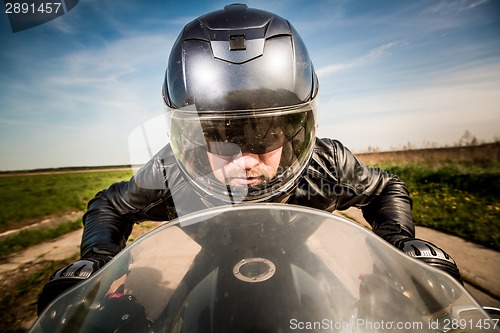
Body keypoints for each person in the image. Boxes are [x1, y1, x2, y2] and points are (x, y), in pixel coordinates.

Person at [37, 4, 461, 315]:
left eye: (264, 137)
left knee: (361, 311)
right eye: (219, 139)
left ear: (296, 129)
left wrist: (401, 246)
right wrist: (96, 262)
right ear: (187, 136)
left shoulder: (326, 162)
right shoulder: (171, 169)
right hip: (211, 258)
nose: (244, 161)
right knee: (167, 318)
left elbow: (386, 188)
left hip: (301, 252)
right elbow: (110, 204)